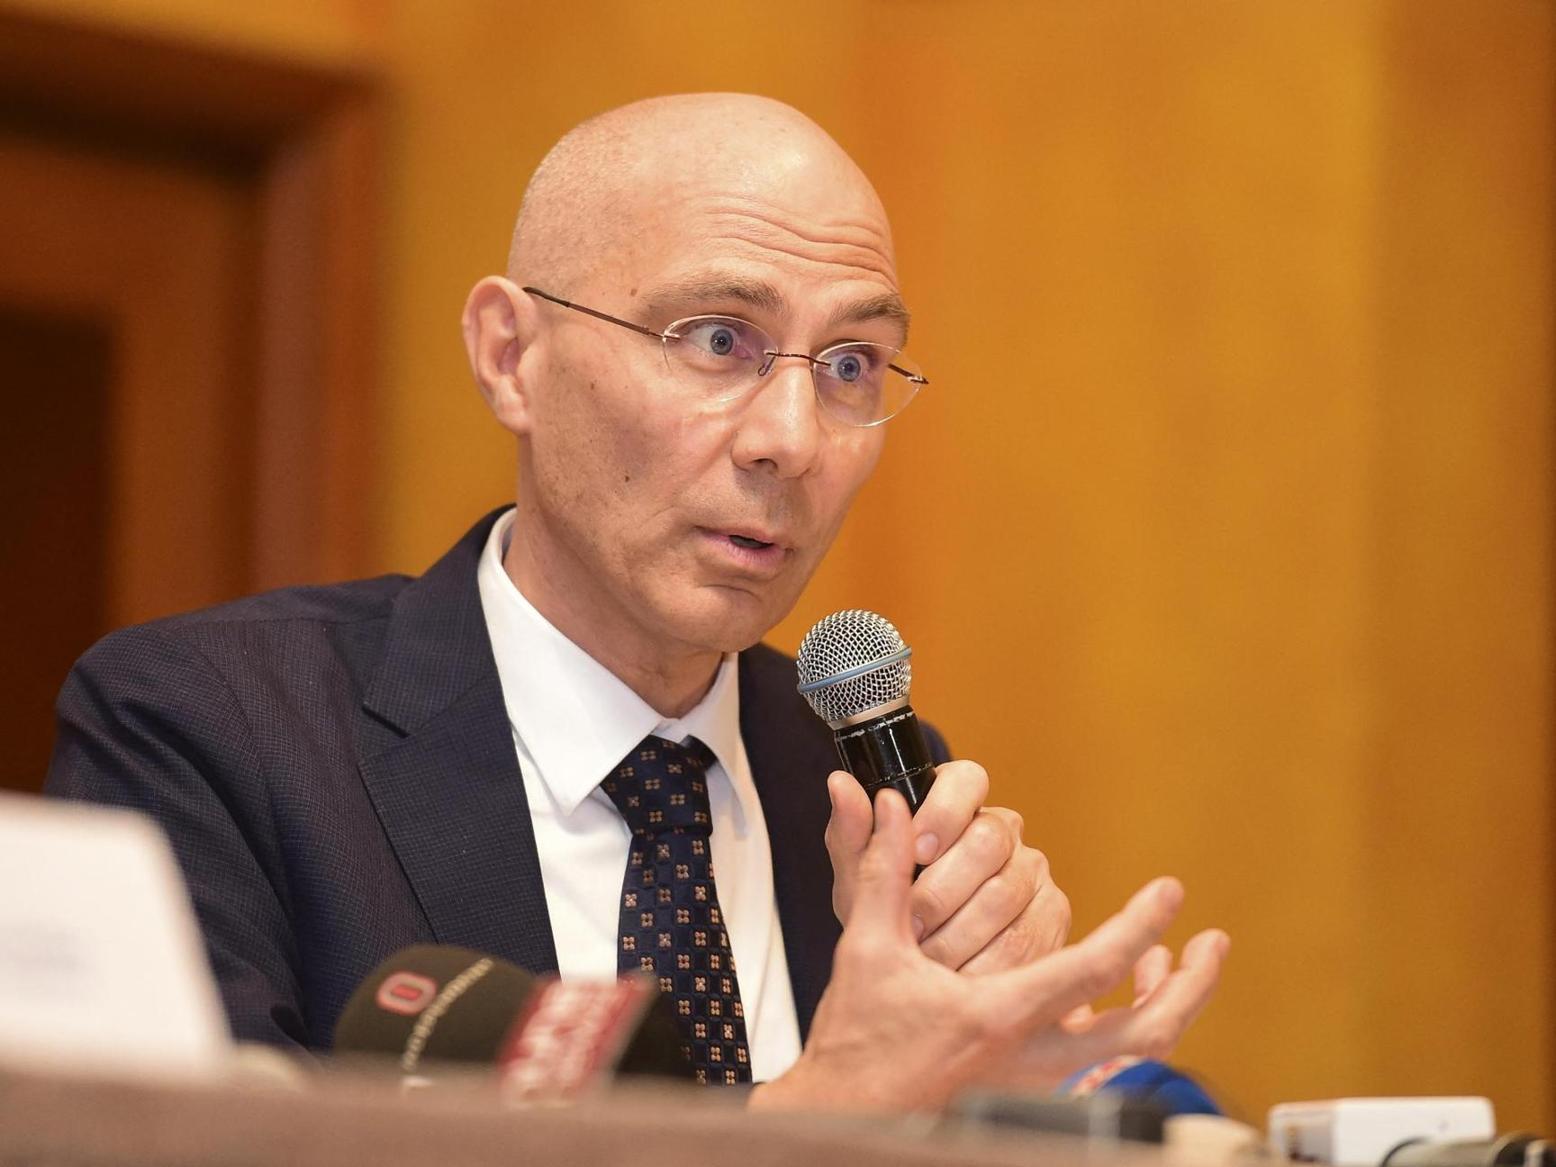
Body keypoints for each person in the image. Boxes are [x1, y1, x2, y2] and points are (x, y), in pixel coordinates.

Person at [47, 93, 1226, 1111]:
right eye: (717, 339)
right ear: (511, 356)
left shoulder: (864, 786)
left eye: (849, 365)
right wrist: (826, 1120)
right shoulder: (214, 729)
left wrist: (1002, 1101)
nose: (790, 439)